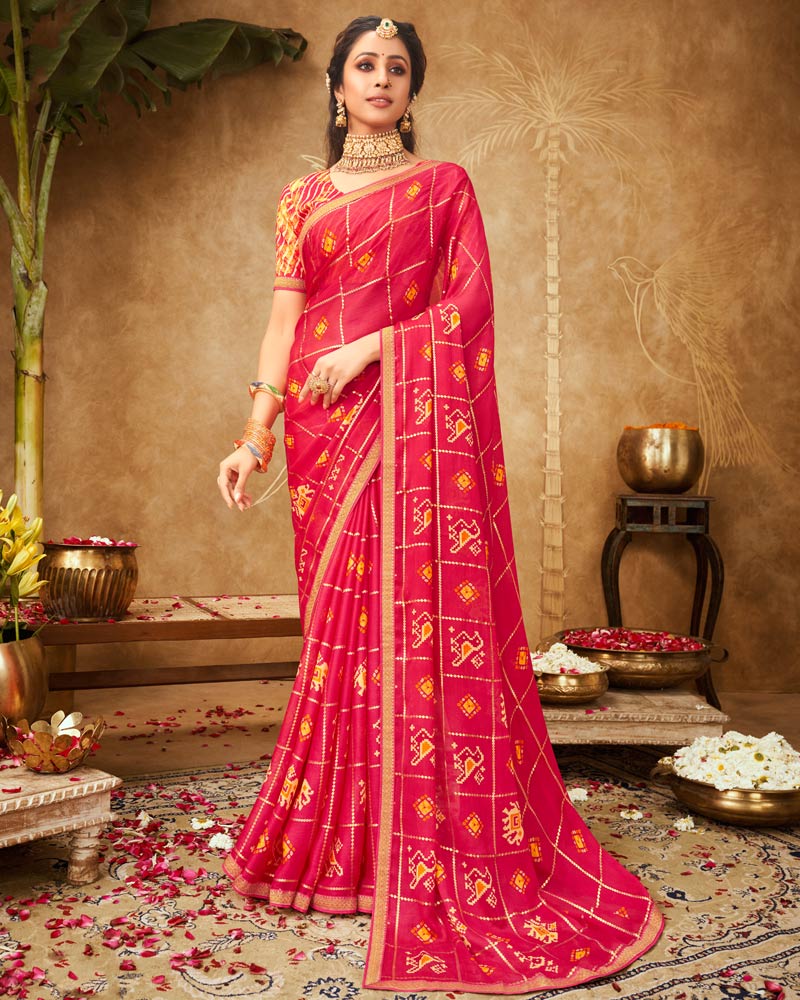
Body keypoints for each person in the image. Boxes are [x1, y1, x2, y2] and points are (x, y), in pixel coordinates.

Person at [218, 15, 663, 993]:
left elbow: (468, 306)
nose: (380, 79)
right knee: (339, 636)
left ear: (411, 89)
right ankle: (338, 850)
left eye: (396, 68)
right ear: (337, 85)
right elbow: (282, 323)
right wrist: (255, 436)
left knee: (407, 628)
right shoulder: (300, 200)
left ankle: (413, 843)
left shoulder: (444, 186)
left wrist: (374, 348)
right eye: (364, 65)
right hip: (323, 436)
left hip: (401, 419)